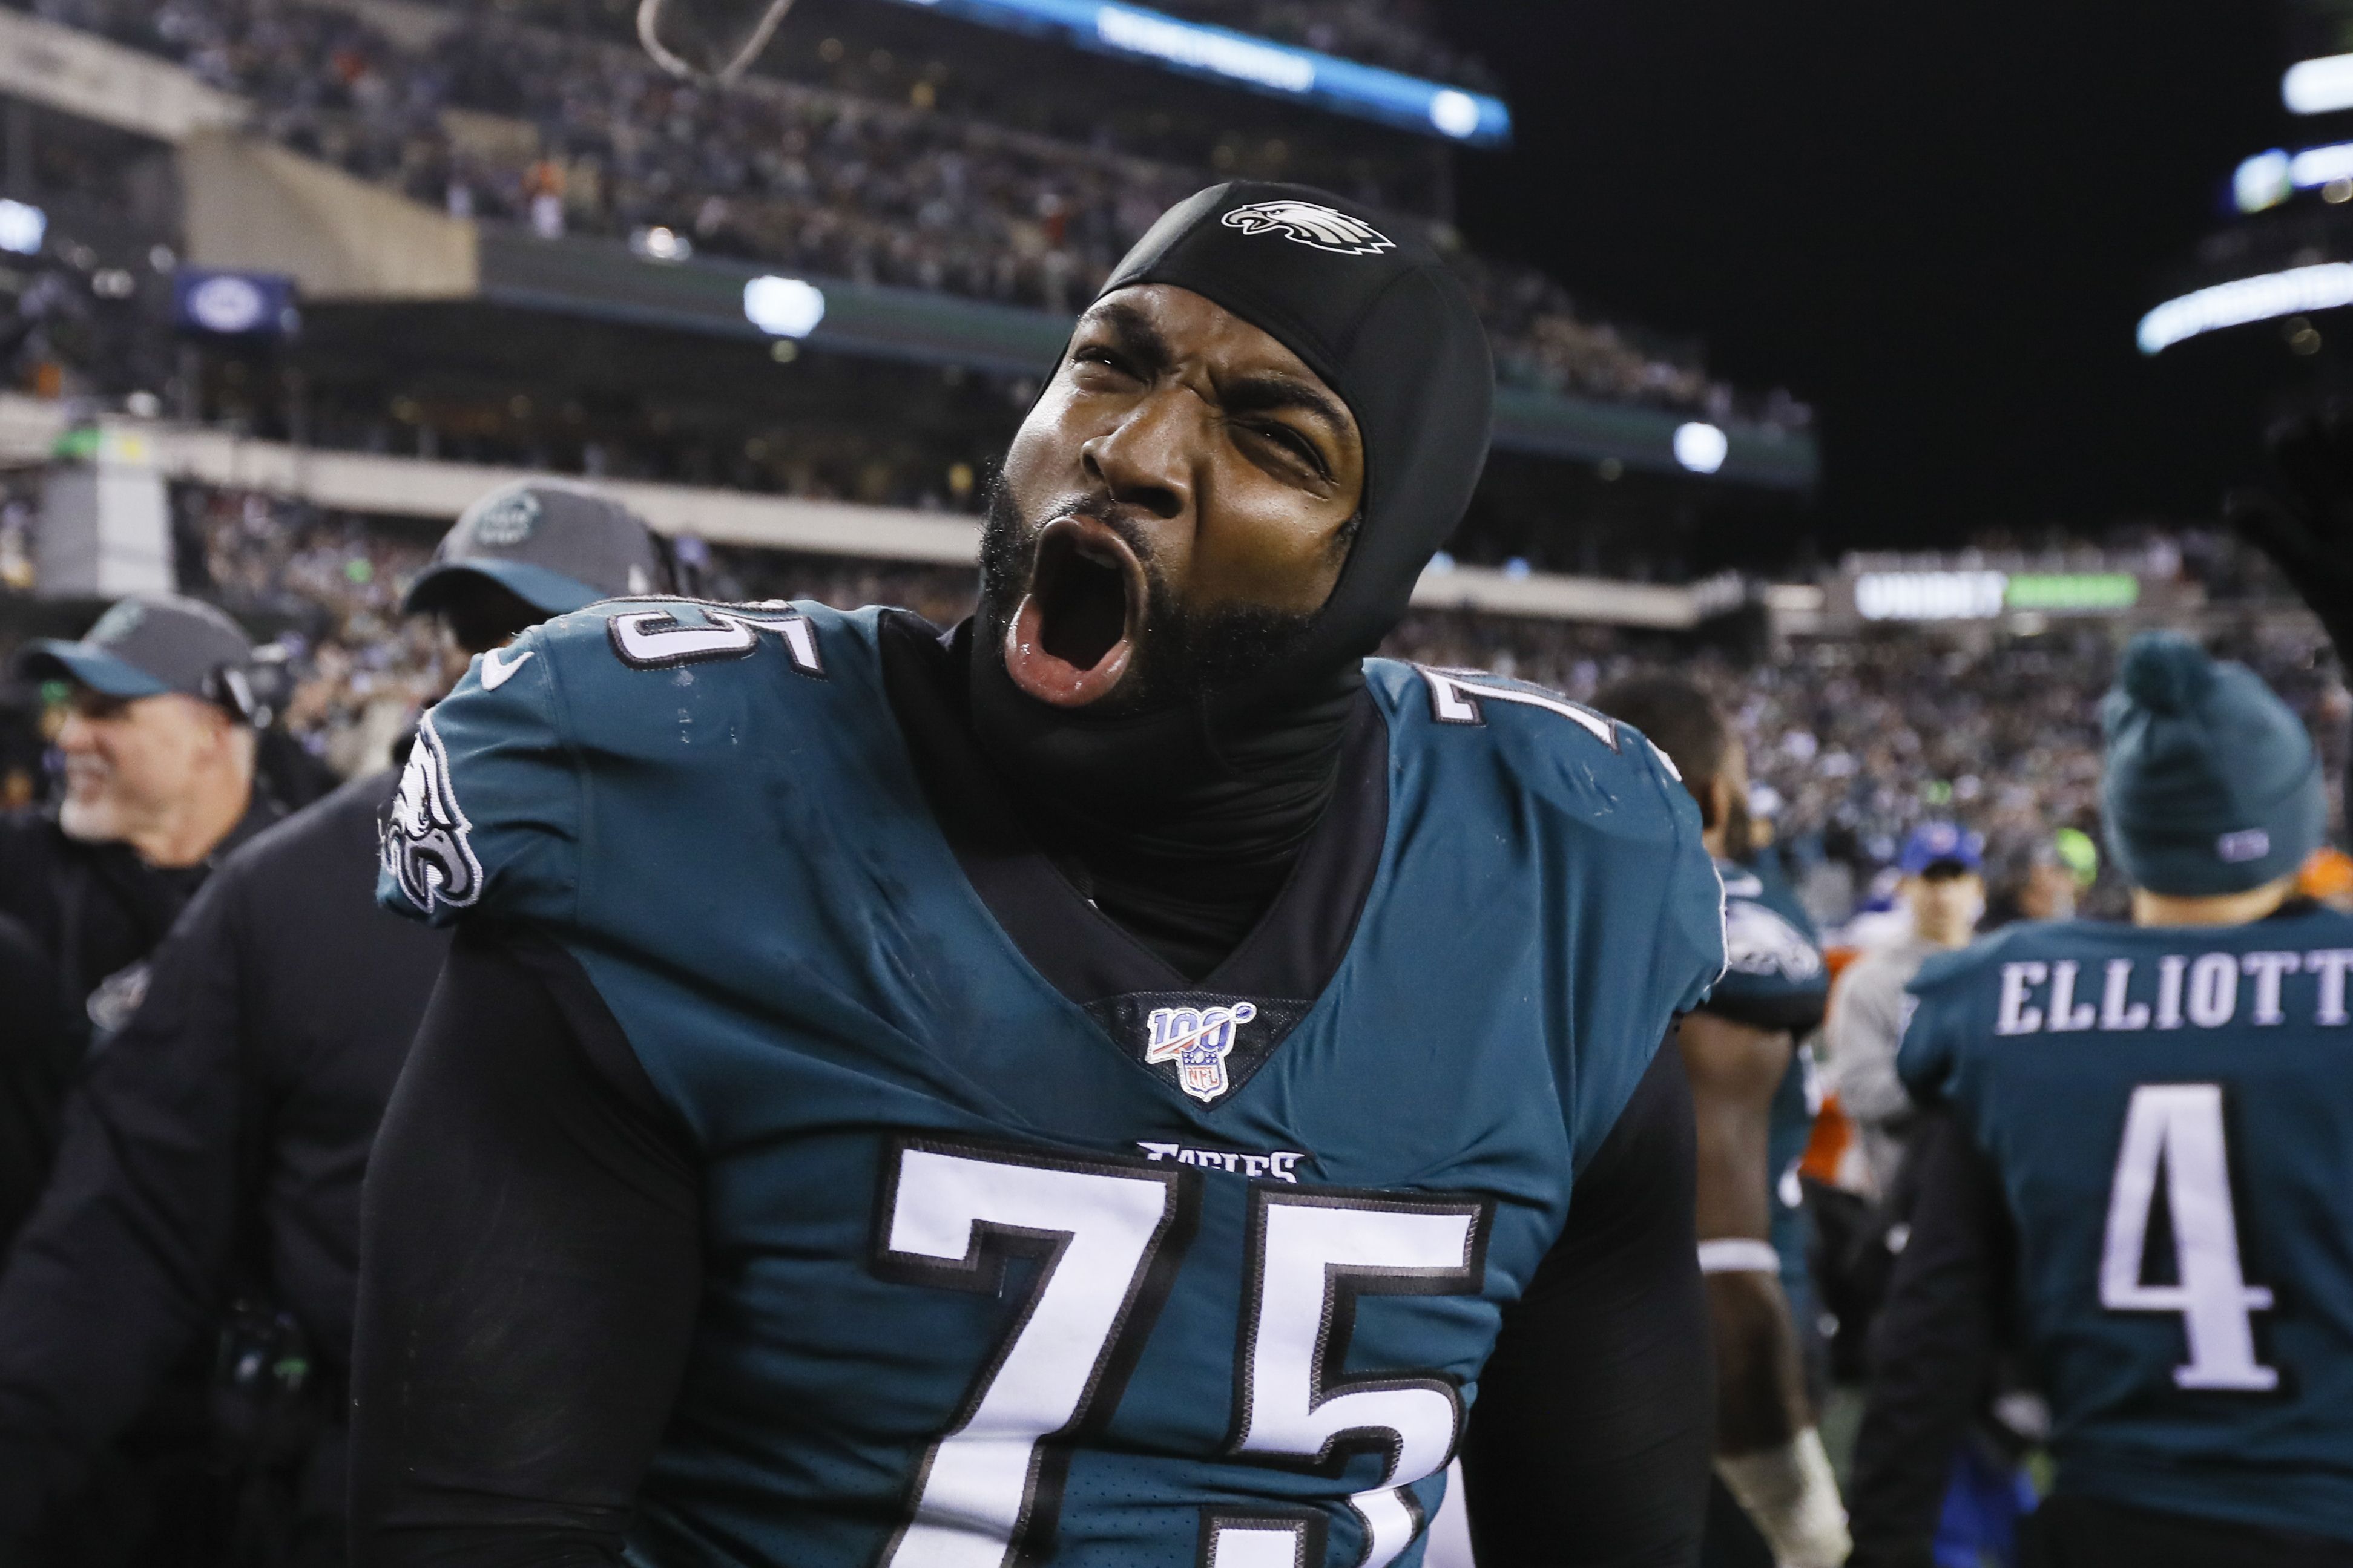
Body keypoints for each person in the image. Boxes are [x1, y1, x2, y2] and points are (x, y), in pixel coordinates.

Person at [354, 182, 1729, 1567]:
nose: (1130, 451)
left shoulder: (1556, 879)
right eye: (1110, 364)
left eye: (1272, 435)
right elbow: (481, 1523)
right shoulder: (684, 794)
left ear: (1376, 565)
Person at [0, 482, 674, 1568]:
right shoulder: (288, 894)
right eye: (475, 631)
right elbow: (117, 1238)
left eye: (556, 628)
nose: (507, 661)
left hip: (674, 1509)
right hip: (357, 1503)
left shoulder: (781, 885)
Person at [1849, 631, 2353, 1566]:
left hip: (2106, 1515)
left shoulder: (1999, 993)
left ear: (2129, 830)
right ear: (2293, 818)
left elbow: (1930, 1324)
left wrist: (1882, 1543)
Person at [1596, 676, 1845, 1568]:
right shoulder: (1720, 923)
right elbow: (1722, 1234)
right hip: (1720, 1320)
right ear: (1715, 793)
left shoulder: (1568, 900)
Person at [0, 595, 284, 1242]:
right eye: (72, 708)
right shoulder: (24, 859)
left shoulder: (296, 898)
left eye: (109, 712)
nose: (70, 735)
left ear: (210, 735)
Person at [1823, 822, 1984, 1200]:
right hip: (1900, 1194)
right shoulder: (1869, 981)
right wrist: (1957, 1078)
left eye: (1955, 878)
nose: (1942, 893)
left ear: (1978, 888)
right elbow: (1861, 1092)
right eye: (1930, 879)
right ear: (1906, 886)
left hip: (1988, 1196)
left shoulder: (2000, 973)